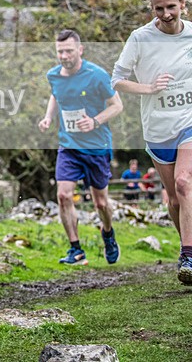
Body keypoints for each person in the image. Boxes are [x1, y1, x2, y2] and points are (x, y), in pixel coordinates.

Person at [112, 0, 192, 285]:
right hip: (158, 127)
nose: (166, 14)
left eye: (171, 6)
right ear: (152, 8)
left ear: (183, 4)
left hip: (189, 121)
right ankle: (188, 252)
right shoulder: (140, 38)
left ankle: (188, 253)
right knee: (173, 198)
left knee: (186, 183)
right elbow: (116, 79)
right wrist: (147, 88)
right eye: (159, 9)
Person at [38, 29, 124, 266]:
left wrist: (95, 121)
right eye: (60, 51)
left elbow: (117, 106)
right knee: (64, 196)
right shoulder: (53, 75)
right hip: (69, 146)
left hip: (97, 147)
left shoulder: (97, 75)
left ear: (80, 50)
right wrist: (48, 117)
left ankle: (108, 232)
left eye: (68, 50)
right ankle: (76, 249)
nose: (64, 56)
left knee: (101, 203)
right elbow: (56, 95)